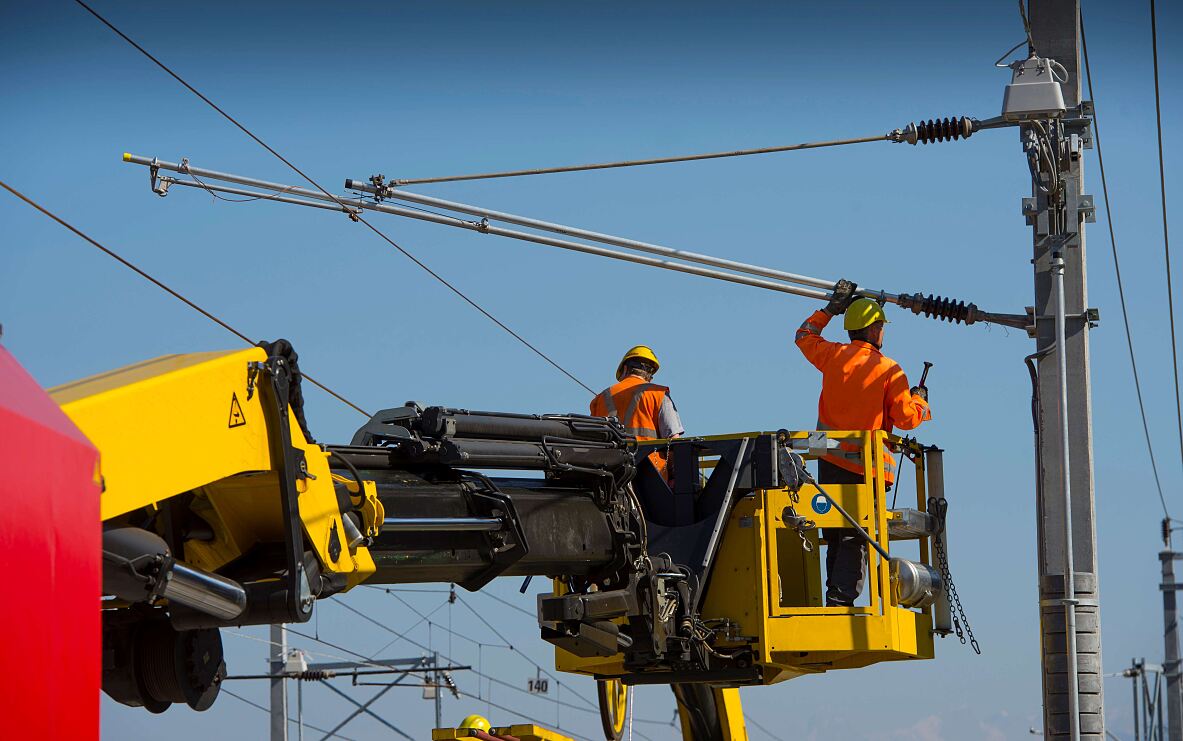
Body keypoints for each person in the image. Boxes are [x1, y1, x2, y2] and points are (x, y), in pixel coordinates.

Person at [794, 281, 932, 606]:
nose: (883, 332)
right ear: (872, 329)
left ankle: (835, 596)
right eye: (881, 326)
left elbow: (803, 335)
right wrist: (920, 400)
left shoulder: (833, 355)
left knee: (833, 529)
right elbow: (906, 418)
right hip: (866, 468)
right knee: (857, 534)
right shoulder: (888, 369)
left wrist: (830, 308)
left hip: (828, 461)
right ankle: (841, 601)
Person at [590, 345, 684, 478]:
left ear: (625, 369)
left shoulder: (600, 399)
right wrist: (675, 477)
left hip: (610, 475)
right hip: (652, 476)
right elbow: (674, 441)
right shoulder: (657, 394)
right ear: (649, 374)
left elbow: (592, 442)